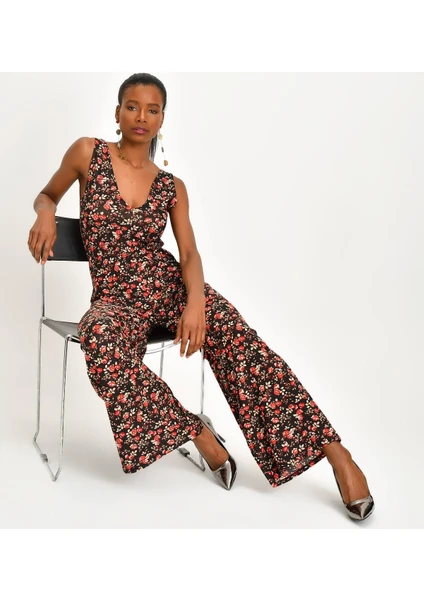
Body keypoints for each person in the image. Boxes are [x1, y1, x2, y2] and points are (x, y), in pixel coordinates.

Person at [27, 72, 374, 520]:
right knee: (100, 341)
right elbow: (47, 194)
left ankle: (336, 454)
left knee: (244, 347)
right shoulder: (87, 153)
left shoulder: (171, 186)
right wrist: (46, 212)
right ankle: (195, 430)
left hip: (170, 290)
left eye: (152, 110)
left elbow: (188, 254)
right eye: (132, 106)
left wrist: (194, 305)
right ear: (117, 113)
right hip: (115, 300)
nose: (141, 116)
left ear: (161, 119)